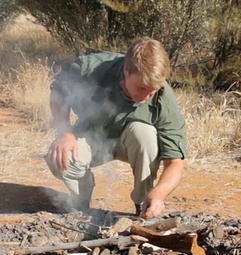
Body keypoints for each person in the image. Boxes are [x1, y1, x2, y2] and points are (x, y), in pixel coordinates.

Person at [45, 37, 187, 219]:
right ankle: (81, 204)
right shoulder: (92, 68)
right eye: (142, 87)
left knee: (146, 134)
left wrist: (158, 194)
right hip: (92, 136)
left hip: (131, 144)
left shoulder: (162, 96)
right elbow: (58, 94)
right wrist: (64, 131)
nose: (147, 95)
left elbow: (175, 163)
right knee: (60, 159)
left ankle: (144, 207)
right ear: (127, 71)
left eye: (153, 90)